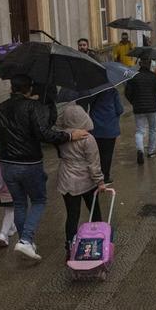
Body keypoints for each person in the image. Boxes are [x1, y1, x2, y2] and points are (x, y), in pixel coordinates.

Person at [0, 74, 88, 261]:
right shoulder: (32, 107)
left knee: (19, 203)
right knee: (38, 201)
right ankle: (26, 240)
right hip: (29, 163)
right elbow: (44, 133)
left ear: (12, 87)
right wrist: (69, 136)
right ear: (29, 89)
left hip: (6, 164)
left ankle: (25, 241)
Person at [55, 105, 105, 259]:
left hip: (66, 180)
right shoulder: (87, 138)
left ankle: (70, 247)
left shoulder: (61, 136)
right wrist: (100, 181)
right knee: (94, 212)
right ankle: (99, 243)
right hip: (86, 180)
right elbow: (93, 163)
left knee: (72, 215)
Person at [124, 58, 156, 164]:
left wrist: (134, 102)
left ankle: (140, 150)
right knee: (153, 129)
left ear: (140, 64)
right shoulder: (153, 76)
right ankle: (151, 151)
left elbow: (127, 93)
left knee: (139, 130)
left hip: (138, 107)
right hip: (152, 107)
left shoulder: (133, 76)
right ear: (150, 64)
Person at [87, 88, 124, 184]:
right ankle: (105, 177)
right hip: (110, 128)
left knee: (96, 153)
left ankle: (96, 176)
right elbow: (119, 109)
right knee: (107, 154)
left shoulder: (92, 91)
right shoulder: (112, 91)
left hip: (95, 128)